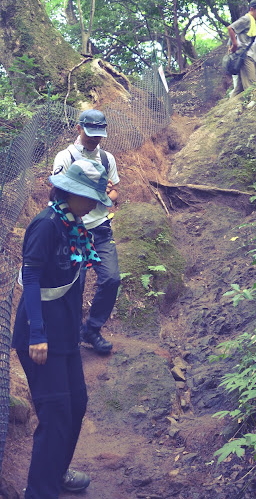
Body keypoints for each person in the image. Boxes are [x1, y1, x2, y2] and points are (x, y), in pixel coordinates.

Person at [12, 159, 113, 498]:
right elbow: (31, 277)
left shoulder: (73, 224)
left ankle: (55, 473)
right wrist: (37, 334)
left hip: (66, 334)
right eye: (91, 198)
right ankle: (40, 491)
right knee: (55, 415)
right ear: (72, 193)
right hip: (41, 337)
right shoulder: (46, 225)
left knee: (77, 405)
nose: (95, 205)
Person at [52, 109, 120, 355]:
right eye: (90, 133)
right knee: (74, 286)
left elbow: (114, 193)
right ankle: (71, 335)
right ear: (79, 128)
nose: (94, 138)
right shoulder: (65, 157)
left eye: (98, 134)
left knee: (111, 279)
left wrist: (106, 193)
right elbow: (58, 192)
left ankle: (92, 330)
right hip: (72, 230)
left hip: (100, 227)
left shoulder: (107, 159)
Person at [227, 0, 256, 97]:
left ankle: (231, 103)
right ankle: (253, 103)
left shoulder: (254, 22)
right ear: (252, 9)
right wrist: (234, 45)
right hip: (246, 57)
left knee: (239, 90)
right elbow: (231, 28)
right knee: (251, 86)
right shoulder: (247, 19)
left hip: (250, 56)